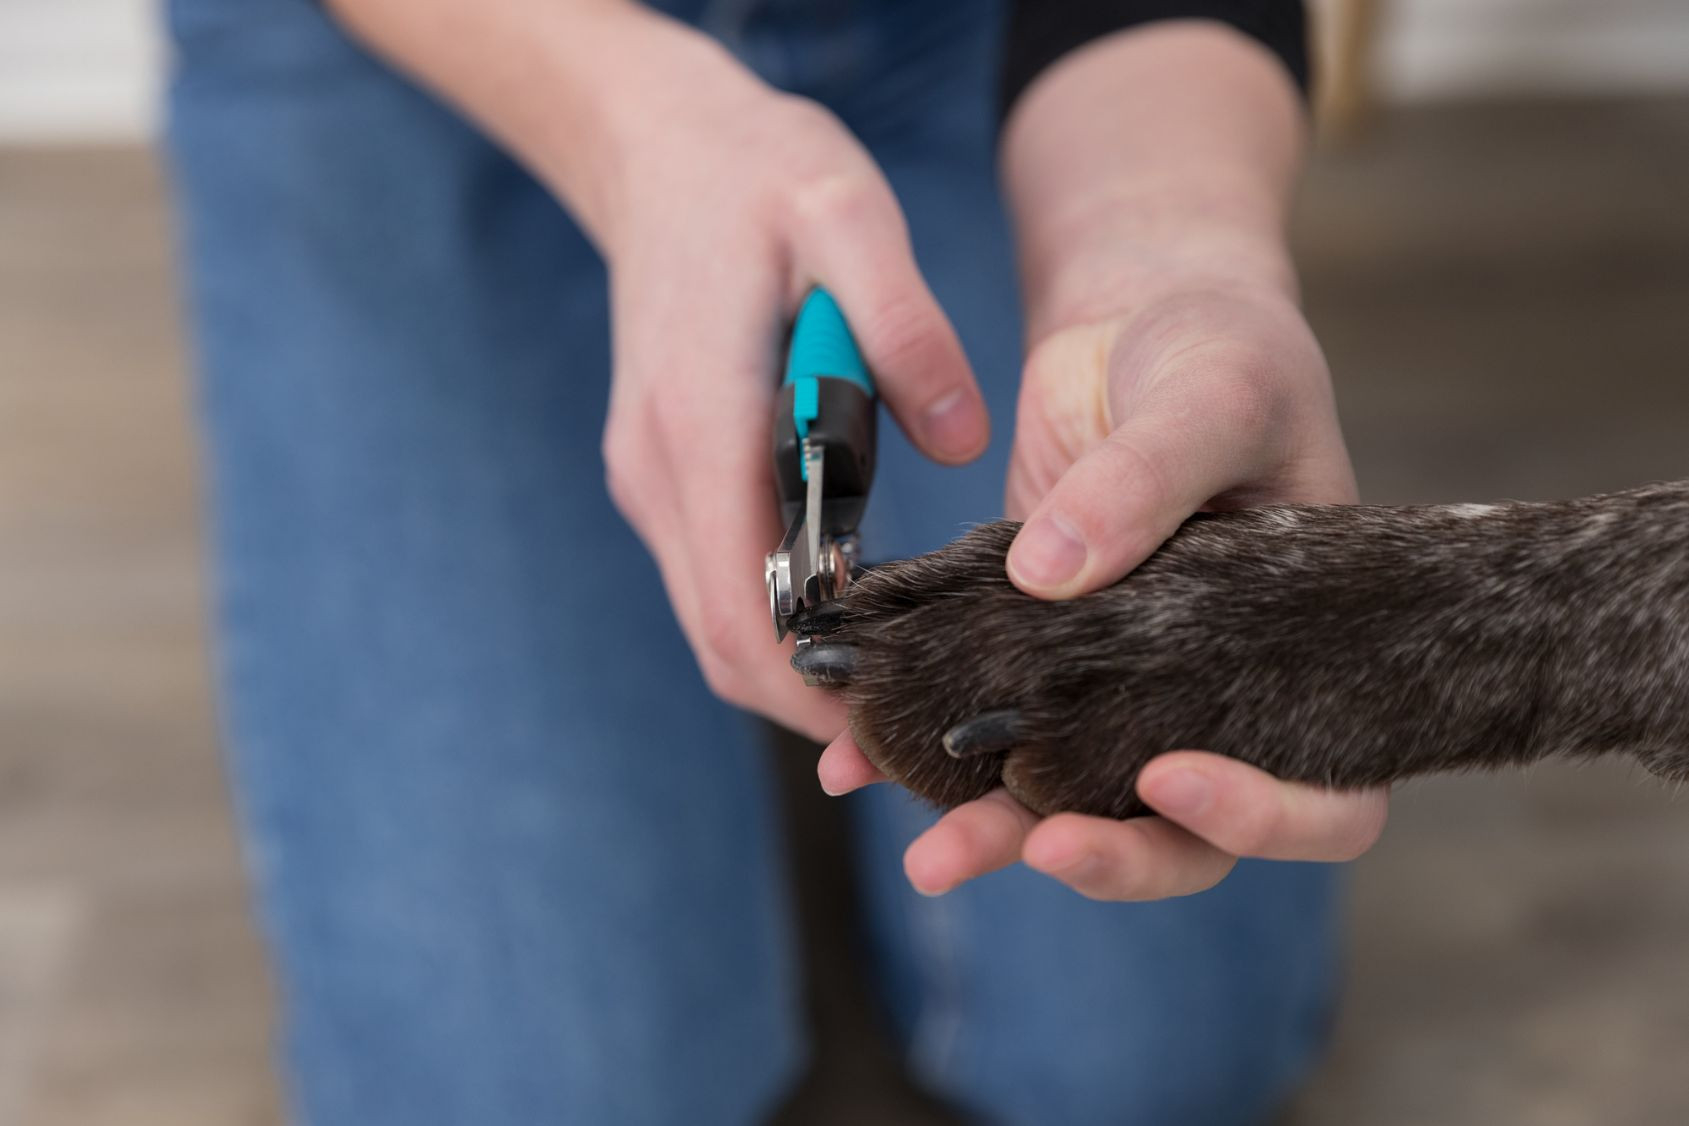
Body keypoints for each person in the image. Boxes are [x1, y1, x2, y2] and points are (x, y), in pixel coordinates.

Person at [165, 0, 1389, 1122]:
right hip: (432, 56)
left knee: (1145, 1065)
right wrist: (623, 121)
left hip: (1001, 38)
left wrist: (1165, 255)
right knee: (548, 1093)